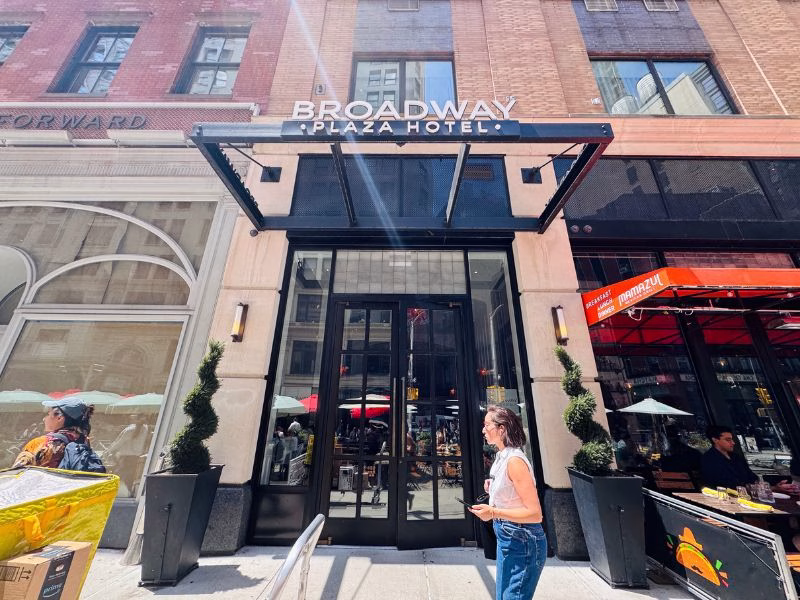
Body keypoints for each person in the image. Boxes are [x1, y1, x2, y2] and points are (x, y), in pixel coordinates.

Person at [469, 406, 546, 600]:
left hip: (523, 540)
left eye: (487, 425)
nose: (483, 430)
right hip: (508, 537)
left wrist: (493, 512)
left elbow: (535, 513)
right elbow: (511, 492)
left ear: (501, 429)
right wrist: (493, 486)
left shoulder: (514, 461)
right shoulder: (501, 457)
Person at [13, 396, 99, 470]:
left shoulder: (40, 443)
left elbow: (16, 476)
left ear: (59, 418)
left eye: (48, 414)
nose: (44, 419)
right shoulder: (84, 441)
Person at [701, 425, 794, 493]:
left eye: (732, 439)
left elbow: (752, 478)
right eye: (728, 440)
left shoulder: (736, 458)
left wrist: (771, 487)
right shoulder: (710, 460)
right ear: (715, 440)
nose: (733, 443)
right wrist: (773, 488)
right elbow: (730, 486)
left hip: (750, 495)